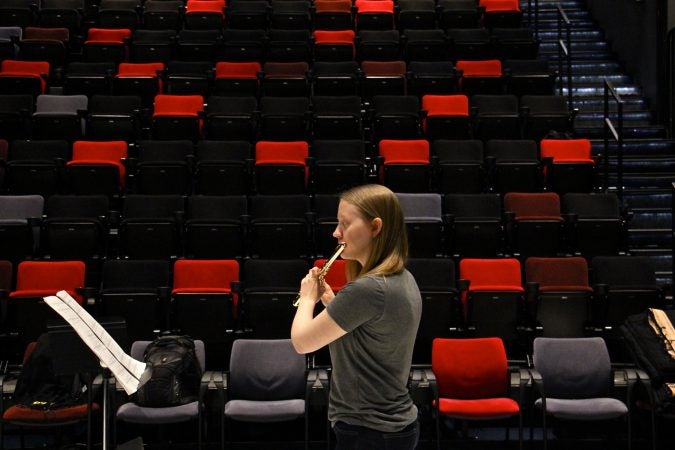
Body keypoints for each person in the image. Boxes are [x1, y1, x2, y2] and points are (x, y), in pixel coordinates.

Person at [291, 184, 422, 450]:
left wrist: (307, 298)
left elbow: (302, 343)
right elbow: (365, 333)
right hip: (390, 428)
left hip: (369, 431)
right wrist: (331, 301)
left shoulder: (368, 289)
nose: (336, 232)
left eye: (345, 224)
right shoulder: (402, 278)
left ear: (375, 227)